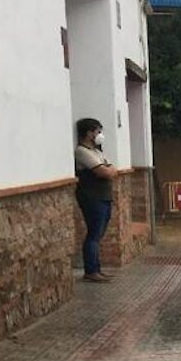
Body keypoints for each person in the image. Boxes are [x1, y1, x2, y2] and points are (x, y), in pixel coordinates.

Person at [75, 118, 118, 283]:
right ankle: (91, 270)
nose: (100, 135)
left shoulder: (97, 152)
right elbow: (105, 172)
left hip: (104, 197)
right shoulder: (82, 151)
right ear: (88, 133)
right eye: (97, 131)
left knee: (99, 233)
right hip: (92, 197)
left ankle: (97, 268)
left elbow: (113, 169)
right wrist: (108, 170)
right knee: (94, 233)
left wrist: (109, 170)